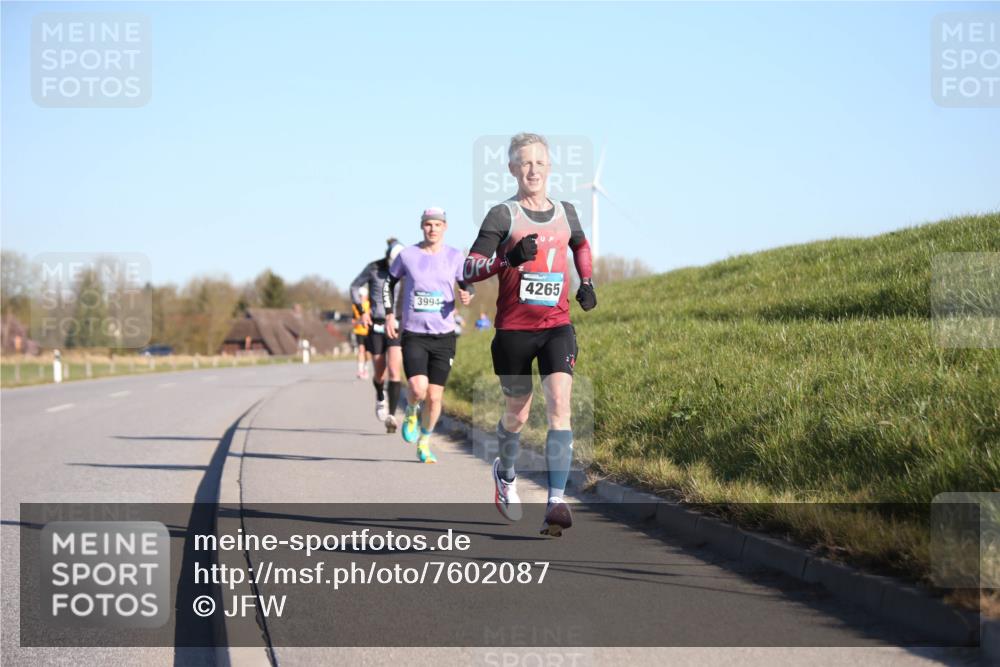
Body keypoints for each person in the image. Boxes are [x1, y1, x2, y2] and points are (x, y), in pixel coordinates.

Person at [463, 132, 597, 536]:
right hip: (513, 331)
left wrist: (586, 281)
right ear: (512, 169)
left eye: (540, 162)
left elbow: (581, 244)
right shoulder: (502, 215)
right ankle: (505, 473)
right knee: (517, 414)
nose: (533, 169)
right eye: (525, 162)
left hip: (556, 326)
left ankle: (555, 502)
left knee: (560, 406)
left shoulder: (567, 211)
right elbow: (468, 268)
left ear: (550, 167)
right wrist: (506, 258)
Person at [385, 207, 473, 463]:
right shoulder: (407, 255)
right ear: (421, 227)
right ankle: (411, 410)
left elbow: (467, 283)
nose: (432, 229)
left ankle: (424, 440)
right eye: (428, 224)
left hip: (444, 336)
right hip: (414, 332)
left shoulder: (456, 256)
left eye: (437, 224)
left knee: (435, 397)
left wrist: (468, 293)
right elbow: (388, 284)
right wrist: (390, 314)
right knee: (417, 388)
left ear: (445, 227)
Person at [350, 238, 406, 433]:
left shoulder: (407, 269)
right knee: (379, 372)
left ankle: (391, 415)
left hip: (397, 324)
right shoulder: (374, 268)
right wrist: (361, 310)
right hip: (376, 324)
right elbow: (354, 287)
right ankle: (380, 396)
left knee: (394, 369)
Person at [352, 286, 371, 379]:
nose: (361, 297)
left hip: (368, 331)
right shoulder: (355, 306)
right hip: (359, 331)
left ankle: (366, 369)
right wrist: (358, 320)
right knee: (361, 350)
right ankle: (360, 370)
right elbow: (353, 320)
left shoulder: (369, 305)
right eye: (359, 296)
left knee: (367, 353)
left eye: (362, 296)